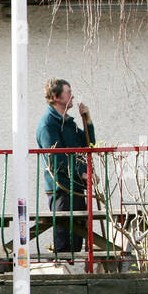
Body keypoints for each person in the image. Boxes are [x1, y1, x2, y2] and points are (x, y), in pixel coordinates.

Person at [36, 78, 96, 255]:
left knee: (77, 232)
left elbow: (88, 145)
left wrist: (88, 121)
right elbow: (56, 158)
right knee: (65, 234)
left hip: (75, 184)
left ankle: (73, 268)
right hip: (60, 186)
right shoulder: (48, 124)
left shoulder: (68, 122)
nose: (72, 96)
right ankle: (62, 270)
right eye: (68, 92)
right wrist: (83, 173)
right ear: (56, 97)